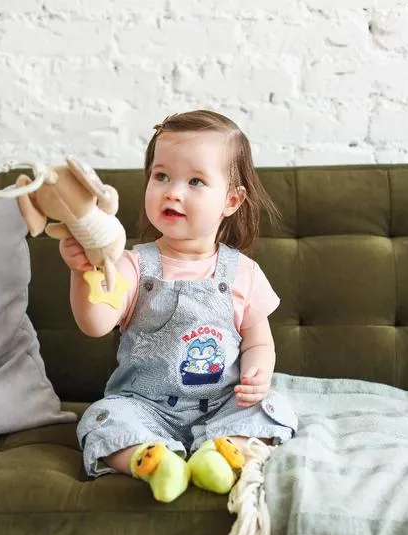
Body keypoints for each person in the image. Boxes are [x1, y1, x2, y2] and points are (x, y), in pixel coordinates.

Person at [60, 109, 298, 502]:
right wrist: (82, 271)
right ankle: (156, 462)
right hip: (143, 407)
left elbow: (259, 341)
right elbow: (95, 323)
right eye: (161, 176)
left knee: (273, 407)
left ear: (231, 200)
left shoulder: (243, 272)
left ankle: (216, 457)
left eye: (195, 181)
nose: (172, 191)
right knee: (101, 419)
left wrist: (258, 371)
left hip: (222, 405)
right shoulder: (132, 265)